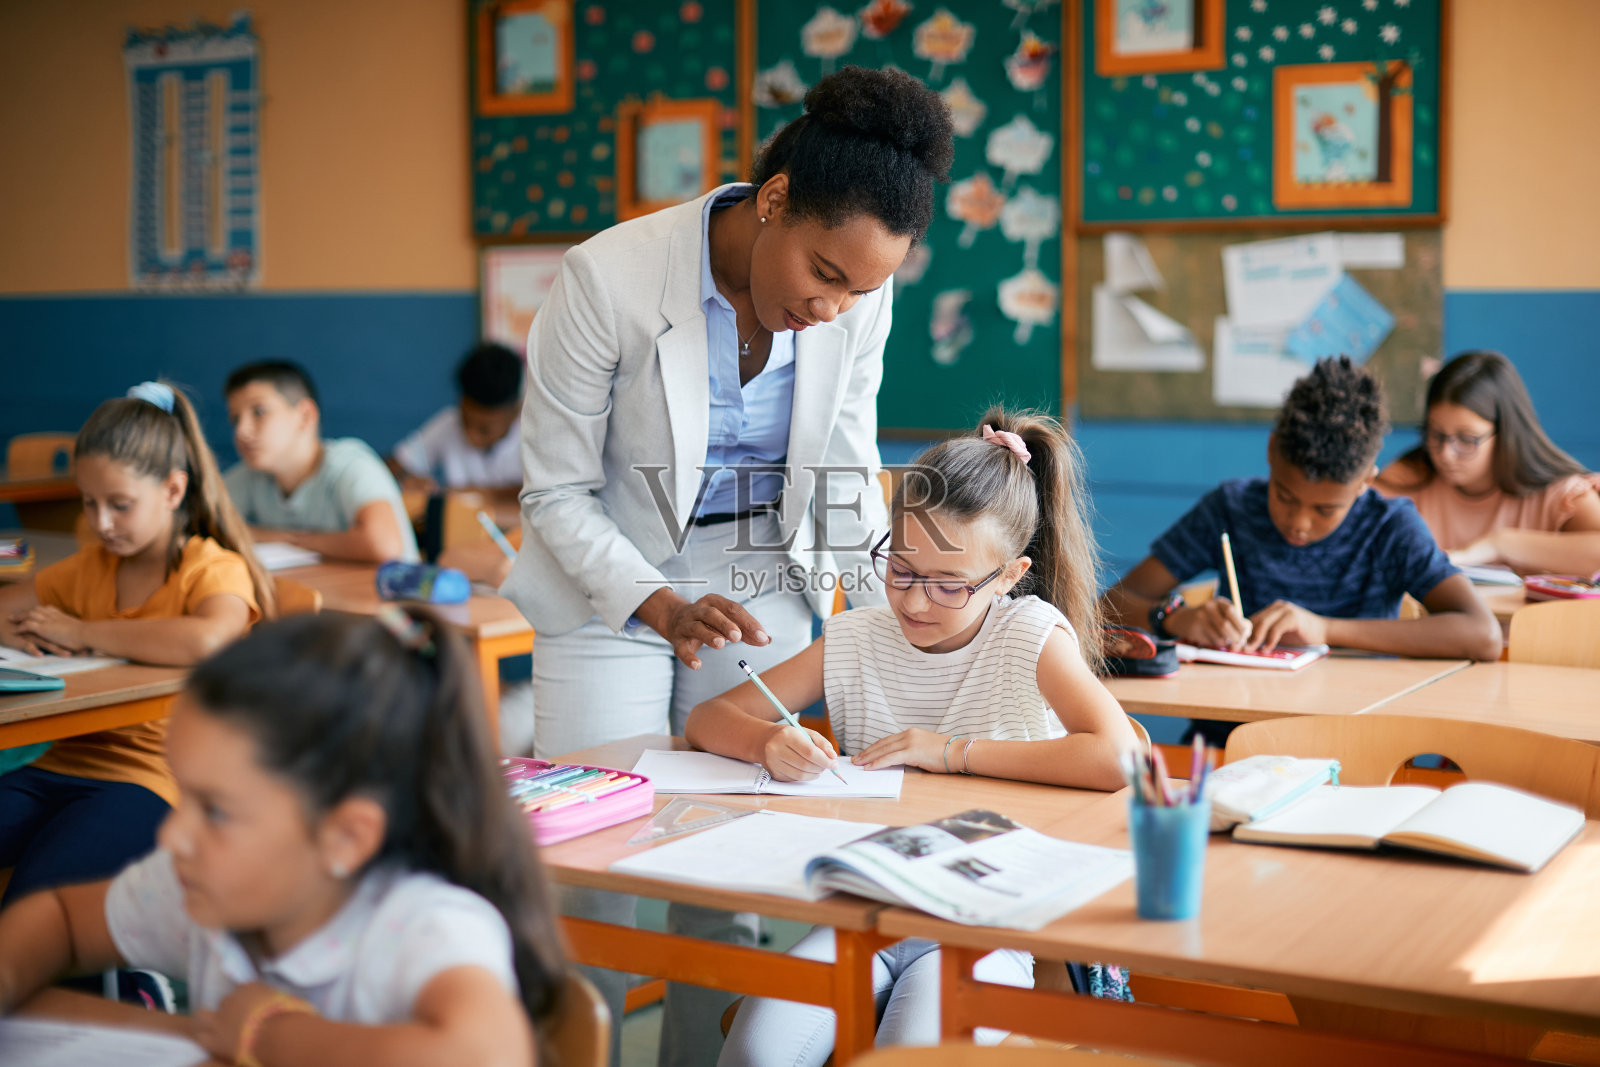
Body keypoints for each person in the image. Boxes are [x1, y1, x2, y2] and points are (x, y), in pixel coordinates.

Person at [502, 66, 955, 1066]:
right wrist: (658, 602)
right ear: (775, 199)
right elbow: (555, 495)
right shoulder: (606, 278)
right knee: (595, 871)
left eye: (862, 291)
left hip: (757, 574)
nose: (834, 309)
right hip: (606, 583)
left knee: (734, 869)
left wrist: (892, 603)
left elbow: (842, 460)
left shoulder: (854, 304)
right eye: (825, 276)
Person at [687, 410, 1138, 1065]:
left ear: (1009, 575)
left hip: (984, 919)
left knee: (910, 1053)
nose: (917, 602)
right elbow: (707, 720)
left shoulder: (1028, 634)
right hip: (864, 907)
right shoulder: (858, 635)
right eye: (899, 569)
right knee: (755, 1047)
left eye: (949, 584)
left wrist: (949, 752)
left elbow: (1119, 754)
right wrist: (766, 743)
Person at [0, 607, 567, 1067]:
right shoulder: (201, 887)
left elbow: (485, 1054)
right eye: (183, 794)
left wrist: (267, 1033)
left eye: (215, 810)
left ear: (346, 837)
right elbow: (63, 918)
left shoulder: (421, 927)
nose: (174, 833)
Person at [0, 381, 268, 906]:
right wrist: (18, 632)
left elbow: (212, 638)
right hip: (54, 764)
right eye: (88, 503)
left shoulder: (210, 568)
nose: (100, 524)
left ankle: (129, 980)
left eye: (119, 505)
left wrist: (80, 633)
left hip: (151, 780)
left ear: (172, 491)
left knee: (30, 917)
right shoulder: (88, 568)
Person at [1102, 356, 1502, 669]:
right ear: (1272, 451)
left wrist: (1324, 628)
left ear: (1366, 481)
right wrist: (1173, 617)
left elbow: (1482, 634)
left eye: (1326, 509)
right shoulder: (1233, 508)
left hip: (1352, 729)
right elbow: (1108, 605)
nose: (1299, 523)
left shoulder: (1391, 527)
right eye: (1285, 495)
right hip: (1233, 730)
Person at [1376, 350, 1600, 576]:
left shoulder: (1560, 493)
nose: (1446, 454)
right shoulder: (1409, 477)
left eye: (1466, 439)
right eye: (1436, 434)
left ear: (1505, 434)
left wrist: (1500, 544)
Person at [223, 361, 419, 563]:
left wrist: (286, 539)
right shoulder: (252, 475)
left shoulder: (349, 465)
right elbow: (201, 518)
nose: (241, 431)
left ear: (305, 416)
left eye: (259, 412)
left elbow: (384, 545)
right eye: (235, 419)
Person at [389, 342, 526, 495]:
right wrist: (406, 477)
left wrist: (481, 494)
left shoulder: (535, 438)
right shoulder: (449, 423)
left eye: (484, 430)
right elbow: (391, 465)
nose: (471, 435)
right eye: (465, 421)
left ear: (515, 411)